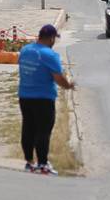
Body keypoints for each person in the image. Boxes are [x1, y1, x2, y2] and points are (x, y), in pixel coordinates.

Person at [18, 24, 74, 175]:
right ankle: (42, 164)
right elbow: (58, 78)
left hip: (24, 95)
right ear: (50, 38)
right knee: (43, 131)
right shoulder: (50, 55)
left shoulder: (25, 50)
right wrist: (68, 86)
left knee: (28, 128)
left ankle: (29, 162)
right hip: (43, 98)